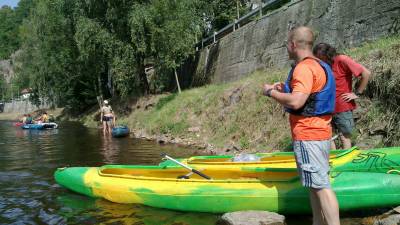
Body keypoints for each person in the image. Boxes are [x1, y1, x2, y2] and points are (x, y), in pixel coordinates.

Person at [262, 26, 340, 225]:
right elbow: (306, 93)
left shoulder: (304, 68)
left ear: (294, 44)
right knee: (315, 184)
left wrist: (271, 92)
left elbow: (297, 102)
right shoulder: (318, 65)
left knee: (321, 186)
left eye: (287, 43)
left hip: (309, 135)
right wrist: (284, 88)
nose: (286, 47)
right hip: (320, 133)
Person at [313, 43, 371, 150]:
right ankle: (333, 163)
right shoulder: (323, 65)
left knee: (345, 136)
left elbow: (366, 74)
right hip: (326, 107)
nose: (318, 61)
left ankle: (345, 163)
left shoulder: (342, 59)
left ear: (327, 54)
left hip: (342, 105)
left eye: (320, 58)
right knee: (328, 136)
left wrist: (357, 93)